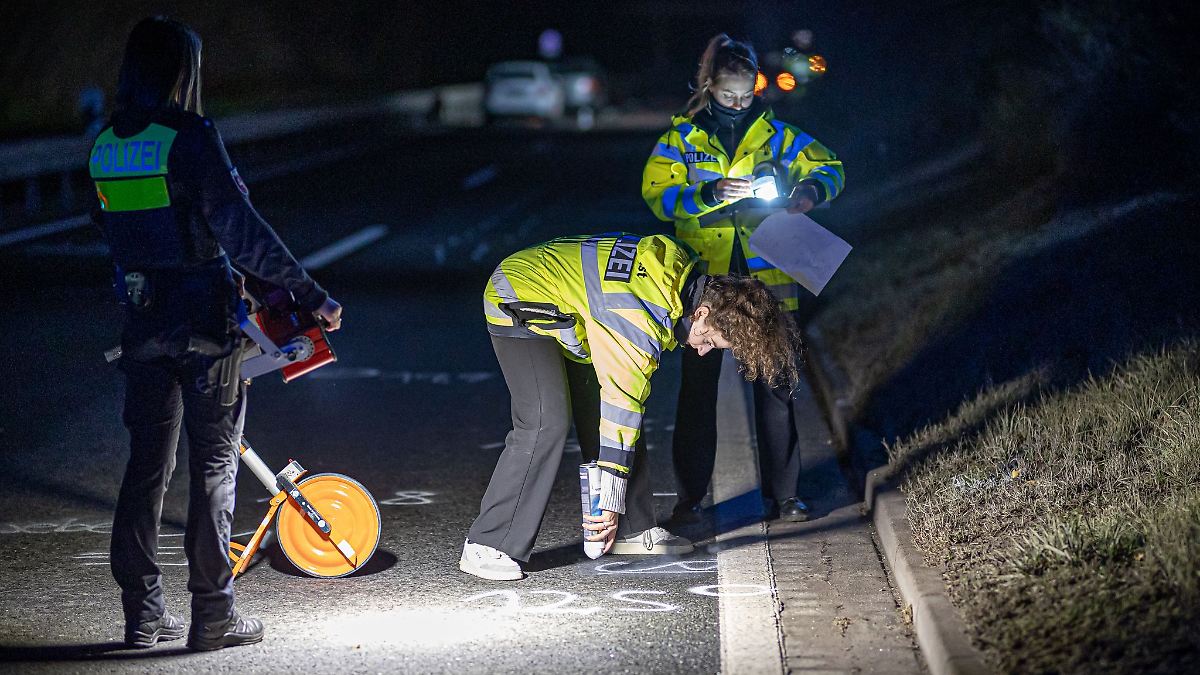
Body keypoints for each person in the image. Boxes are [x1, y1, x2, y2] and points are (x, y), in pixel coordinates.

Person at [89, 17, 342, 650]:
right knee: (213, 466)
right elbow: (242, 231)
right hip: (204, 323)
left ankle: (143, 614)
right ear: (182, 70)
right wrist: (310, 294)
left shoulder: (106, 144)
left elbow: (115, 231)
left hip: (142, 322)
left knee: (145, 468)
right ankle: (212, 615)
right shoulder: (190, 136)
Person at [459, 233, 799, 580]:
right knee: (547, 421)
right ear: (701, 313)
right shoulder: (636, 320)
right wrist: (608, 504)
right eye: (709, 340)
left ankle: (633, 530)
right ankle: (488, 542)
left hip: (573, 309)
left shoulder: (678, 274)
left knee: (615, 418)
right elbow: (622, 405)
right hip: (518, 296)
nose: (702, 351)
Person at [641, 34, 845, 523]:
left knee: (776, 383)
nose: (737, 104)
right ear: (709, 87)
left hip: (769, 273)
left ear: (757, 88)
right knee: (697, 391)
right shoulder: (681, 139)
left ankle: (786, 496)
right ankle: (690, 500)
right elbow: (656, 195)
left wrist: (808, 193)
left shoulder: (779, 136)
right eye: (727, 95)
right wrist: (710, 193)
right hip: (705, 279)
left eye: (746, 95)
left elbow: (831, 168)